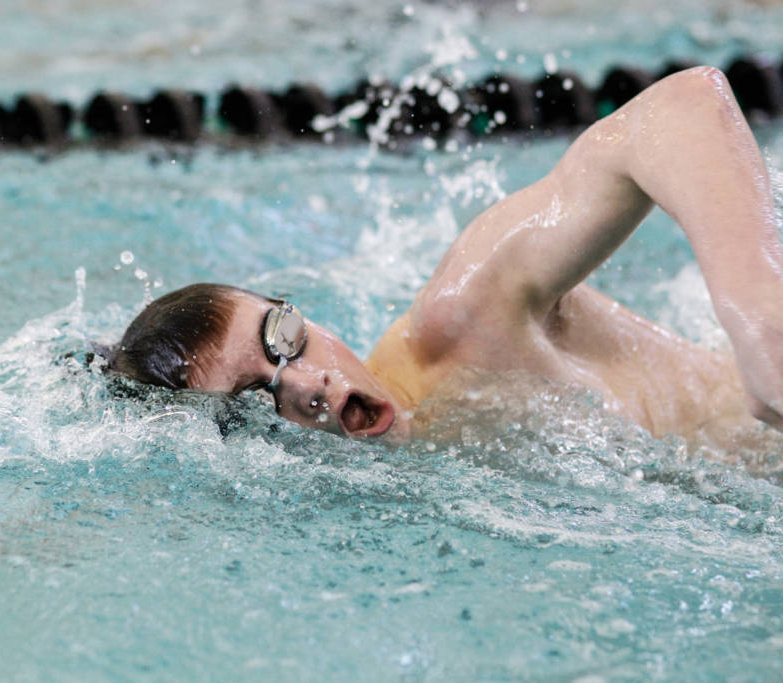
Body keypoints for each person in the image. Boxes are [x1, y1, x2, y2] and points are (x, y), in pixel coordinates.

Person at [103, 67, 783, 445]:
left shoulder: (463, 321)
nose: (312, 384)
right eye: (256, 402)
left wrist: (757, 313)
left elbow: (682, 105)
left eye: (284, 338)